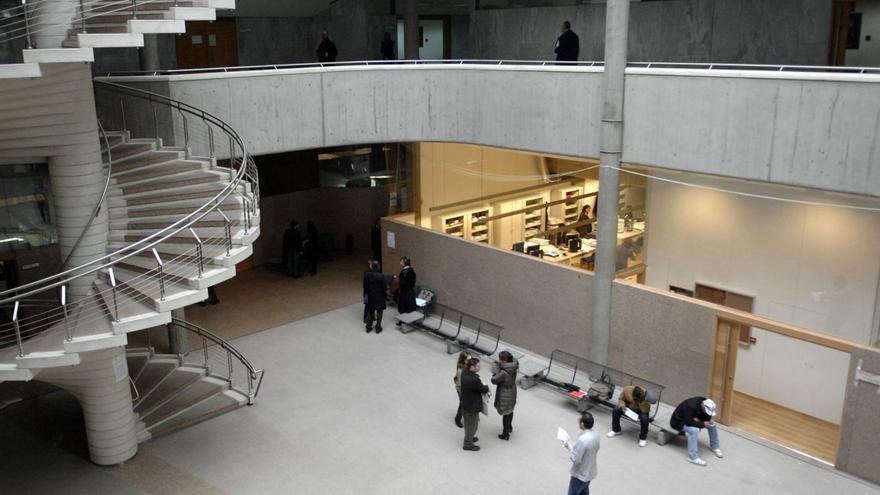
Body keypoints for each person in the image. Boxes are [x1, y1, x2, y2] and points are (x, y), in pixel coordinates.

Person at [670, 396, 723, 466]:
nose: (708, 413)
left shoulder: (704, 402)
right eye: (707, 411)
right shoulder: (690, 406)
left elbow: (707, 417)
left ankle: (715, 447)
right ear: (703, 407)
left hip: (692, 418)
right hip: (678, 422)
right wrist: (702, 424)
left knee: (712, 424)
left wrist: (702, 422)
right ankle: (692, 457)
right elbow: (688, 422)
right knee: (694, 430)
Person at [563, 412, 599, 495]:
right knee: (584, 491)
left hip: (580, 474)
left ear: (582, 424)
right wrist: (575, 446)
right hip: (590, 470)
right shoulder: (596, 435)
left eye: (579, 420)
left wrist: (569, 446)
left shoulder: (583, 440)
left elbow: (576, 459)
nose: (577, 420)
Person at [460, 357, 489, 451]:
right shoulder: (474, 379)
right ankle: (468, 444)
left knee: (469, 423)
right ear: (471, 367)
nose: (479, 367)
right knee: (472, 425)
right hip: (472, 406)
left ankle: (470, 438)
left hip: (466, 403)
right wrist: (486, 386)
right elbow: (483, 389)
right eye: (477, 366)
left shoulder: (464, 372)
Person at [491, 350, 519, 440]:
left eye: (500, 359)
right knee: (510, 411)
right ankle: (510, 427)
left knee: (505, 414)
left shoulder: (503, 373)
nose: (499, 361)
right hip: (512, 391)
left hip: (504, 393)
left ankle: (505, 434)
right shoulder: (513, 366)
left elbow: (494, 380)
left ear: (504, 361)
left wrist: (495, 370)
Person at [363, 260, 387, 333]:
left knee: (371, 312)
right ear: (378, 267)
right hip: (379, 297)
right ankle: (378, 327)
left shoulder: (367, 275)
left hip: (370, 296)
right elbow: (384, 288)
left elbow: (364, 286)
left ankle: (368, 327)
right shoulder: (381, 276)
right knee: (379, 312)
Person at [395, 256, 417, 324]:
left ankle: (403, 321)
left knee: (403, 306)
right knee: (409, 306)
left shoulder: (404, 272)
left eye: (401, 261)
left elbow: (402, 282)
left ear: (404, 263)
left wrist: (397, 279)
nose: (400, 263)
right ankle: (410, 320)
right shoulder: (411, 270)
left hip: (404, 292)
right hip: (410, 291)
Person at [453, 351, 471, 428]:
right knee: (462, 405)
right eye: (468, 360)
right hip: (462, 390)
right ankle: (457, 419)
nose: (470, 361)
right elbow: (460, 384)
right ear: (463, 360)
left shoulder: (467, 366)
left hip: (465, 388)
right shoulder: (461, 370)